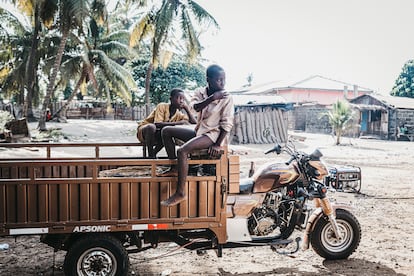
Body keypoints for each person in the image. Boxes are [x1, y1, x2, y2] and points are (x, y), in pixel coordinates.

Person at [158, 64, 234, 207]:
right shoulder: (200, 92)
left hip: (213, 135)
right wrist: (211, 98)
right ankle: (175, 168)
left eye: (224, 79)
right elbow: (194, 108)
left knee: (182, 151)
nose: (223, 83)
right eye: (219, 80)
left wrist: (218, 144)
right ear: (208, 80)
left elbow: (227, 123)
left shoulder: (227, 98)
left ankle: (180, 193)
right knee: (166, 131)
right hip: (199, 130)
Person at [136, 88, 196, 158]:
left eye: (183, 99)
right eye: (179, 98)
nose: (181, 101)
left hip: (158, 134)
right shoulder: (162, 106)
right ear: (171, 99)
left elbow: (193, 122)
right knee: (152, 127)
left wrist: (187, 109)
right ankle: (151, 156)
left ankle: (153, 154)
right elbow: (157, 124)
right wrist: (178, 123)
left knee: (166, 133)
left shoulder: (178, 114)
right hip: (145, 132)